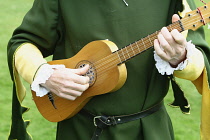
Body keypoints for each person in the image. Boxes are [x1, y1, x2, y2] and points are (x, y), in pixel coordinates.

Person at [7, 0, 210, 139]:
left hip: (148, 131)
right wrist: (45, 74)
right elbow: (23, 42)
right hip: (80, 131)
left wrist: (180, 58)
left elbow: (201, 60)